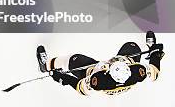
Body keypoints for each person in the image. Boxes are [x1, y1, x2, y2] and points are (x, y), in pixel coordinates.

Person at [36, 31, 164, 96]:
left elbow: (79, 87)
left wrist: (61, 77)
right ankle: (149, 46)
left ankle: (45, 66)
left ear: (107, 72)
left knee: (72, 59)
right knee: (132, 46)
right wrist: (154, 52)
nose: (111, 62)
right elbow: (155, 72)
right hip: (124, 71)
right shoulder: (138, 72)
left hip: (93, 70)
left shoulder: (98, 80)